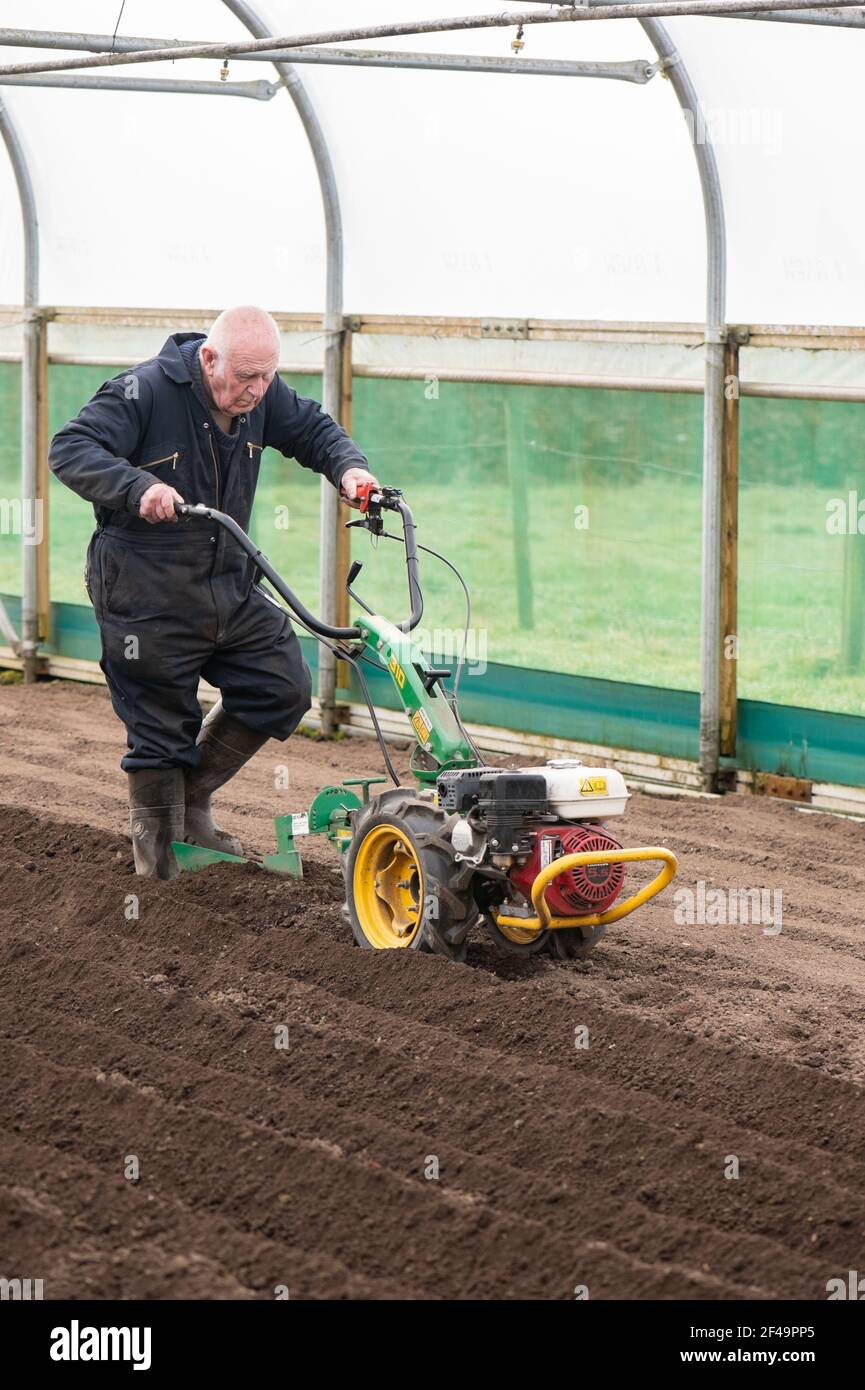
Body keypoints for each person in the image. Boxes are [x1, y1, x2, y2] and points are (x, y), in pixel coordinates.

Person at [49, 305, 378, 879]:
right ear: (208, 358)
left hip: (229, 584)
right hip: (145, 593)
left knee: (280, 684)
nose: (257, 390)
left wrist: (350, 470)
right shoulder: (143, 391)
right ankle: (157, 866)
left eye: (267, 376)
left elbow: (315, 430)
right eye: (246, 377)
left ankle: (190, 802)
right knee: (160, 727)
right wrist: (138, 486)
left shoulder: (262, 395)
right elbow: (71, 448)